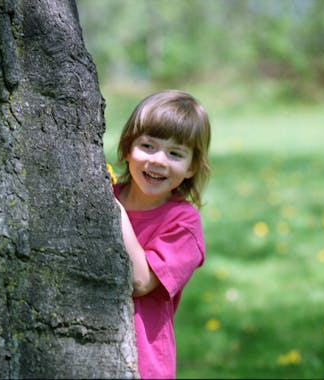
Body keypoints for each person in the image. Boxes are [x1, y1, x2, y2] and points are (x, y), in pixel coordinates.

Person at [113, 89, 211, 379]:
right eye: (148, 146)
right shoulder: (105, 195)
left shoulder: (183, 224)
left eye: (175, 153)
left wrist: (114, 212)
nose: (158, 160)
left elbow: (140, 281)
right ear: (128, 147)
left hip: (143, 363)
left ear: (192, 166)